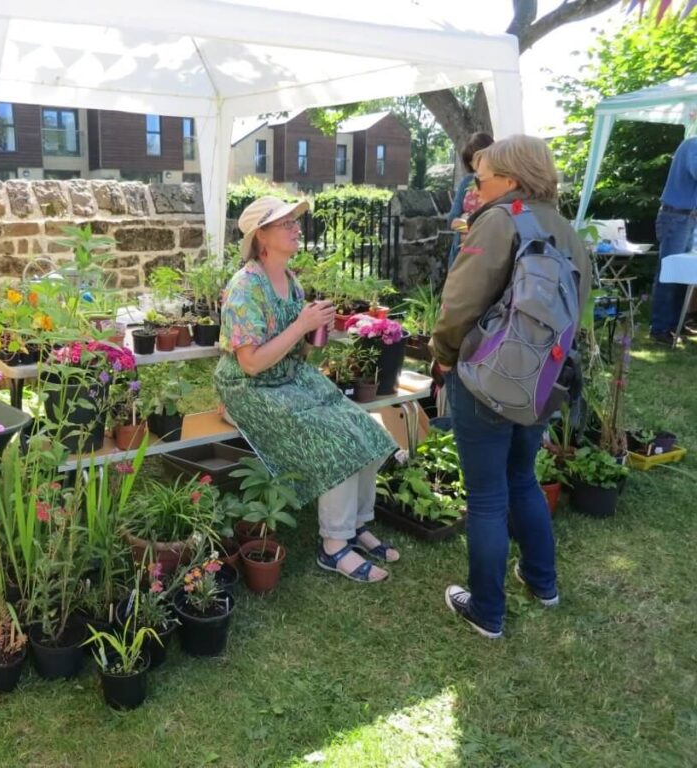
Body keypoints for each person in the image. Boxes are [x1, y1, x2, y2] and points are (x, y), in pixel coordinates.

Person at [430, 135, 591, 638]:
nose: (477, 185)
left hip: (485, 377)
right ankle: (543, 583)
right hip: (542, 380)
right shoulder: (566, 229)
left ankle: (486, 610)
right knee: (522, 476)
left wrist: (443, 355)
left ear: (513, 179)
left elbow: (459, 304)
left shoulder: (500, 220)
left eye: (484, 176)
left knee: (485, 496)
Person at [215, 197, 399, 584]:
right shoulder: (245, 287)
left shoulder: (291, 280)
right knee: (332, 438)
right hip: (250, 387)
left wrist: (314, 333)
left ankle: (356, 525)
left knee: (364, 427)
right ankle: (333, 546)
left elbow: (296, 348)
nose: (296, 228)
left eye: (294, 221)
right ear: (261, 236)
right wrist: (301, 326)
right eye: (285, 223)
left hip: (289, 376)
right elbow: (249, 363)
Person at [649, 135, 697, 345]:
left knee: (681, 274)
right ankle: (659, 328)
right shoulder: (694, 145)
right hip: (676, 217)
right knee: (668, 272)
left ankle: (674, 324)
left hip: (686, 217)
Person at [446, 132, 494, 268]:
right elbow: (452, 220)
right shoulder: (467, 182)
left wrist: (468, 225)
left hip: (488, 254)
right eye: (470, 160)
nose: (474, 165)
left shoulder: (502, 184)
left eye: (477, 158)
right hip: (461, 253)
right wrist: (471, 228)